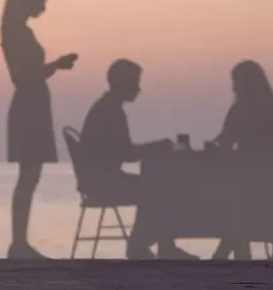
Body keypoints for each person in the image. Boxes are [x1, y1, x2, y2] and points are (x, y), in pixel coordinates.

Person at [79, 59, 193, 259]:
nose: (139, 88)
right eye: (135, 83)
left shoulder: (106, 108)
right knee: (158, 188)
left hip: (98, 180)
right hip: (104, 183)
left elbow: (122, 151)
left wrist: (152, 148)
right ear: (124, 84)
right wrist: (156, 147)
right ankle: (142, 245)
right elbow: (127, 154)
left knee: (155, 185)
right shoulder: (111, 112)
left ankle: (155, 245)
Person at [1, 0, 78, 259]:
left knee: (30, 176)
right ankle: (18, 243)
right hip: (28, 108)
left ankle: (20, 242)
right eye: (42, 0)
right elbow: (22, 76)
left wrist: (55, 66)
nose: (44, 7)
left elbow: (29, 74)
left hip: (33, 106)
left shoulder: (18, 30)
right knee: (28, 176)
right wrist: (54, 66)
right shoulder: (15, 31)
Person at [207, 60, 273, 260]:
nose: (234, 88)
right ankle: (229, 251)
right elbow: (225, 139)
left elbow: (225, 141)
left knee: (232, 200)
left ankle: (228, 252)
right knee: (236, 197)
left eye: (237, 82)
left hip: (255, 185)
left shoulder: (244, 110)